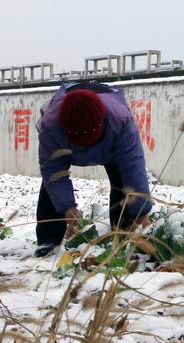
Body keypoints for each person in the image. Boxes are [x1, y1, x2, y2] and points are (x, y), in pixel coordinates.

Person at [34, 81, 152, 257]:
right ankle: (48, 239)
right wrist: (67, 206)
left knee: (123, 182)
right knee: (51, 184)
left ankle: (124, 233)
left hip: (111, 149)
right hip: (63, 148)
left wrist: (141, 211)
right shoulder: (50, 125)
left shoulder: (121, 121)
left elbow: (133, 167)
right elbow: (52, 170)